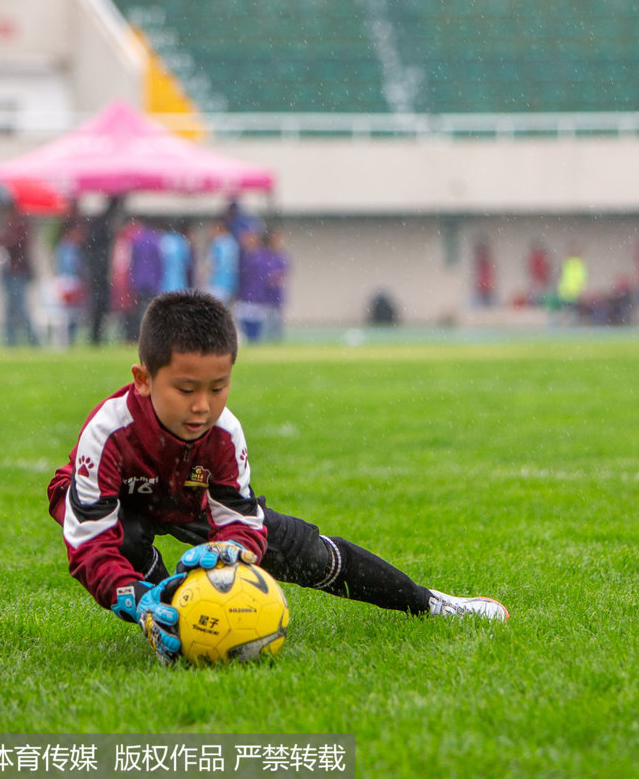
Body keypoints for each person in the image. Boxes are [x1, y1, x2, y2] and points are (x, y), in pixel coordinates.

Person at [45, 290, 507, 665]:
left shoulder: (224, 433)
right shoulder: (107, 432)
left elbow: (240, 521)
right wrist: (135, 598)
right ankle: (168, 623)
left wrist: (235, 549)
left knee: (301, 552)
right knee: (126, 542)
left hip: (187, 496)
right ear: (143, 379)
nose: (202, 405)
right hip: (117, 505)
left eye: (218, 387)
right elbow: (90, 545)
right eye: (185, 389)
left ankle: (428, 602)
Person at [0, 204, 39, 346]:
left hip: (18, 272)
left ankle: (32, 340)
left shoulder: (20, 227)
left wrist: (5, 238)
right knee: (10, 309)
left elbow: (17, 245)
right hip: (7, 272)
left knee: (20, 307)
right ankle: (11, 341)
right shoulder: (4, 227)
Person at [83, 195, 123, 346]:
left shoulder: (99, 224)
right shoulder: (102, 225)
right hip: (99, 271)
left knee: (99, 304)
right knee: (99, 304)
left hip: (99, 271)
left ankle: (97, 335)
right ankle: (96, 336)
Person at [203, 215, 239, 305]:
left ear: (218, 227)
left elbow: (212, 264)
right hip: (229, 285)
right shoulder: (233, 243)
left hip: (216, 284)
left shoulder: (217, 243)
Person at [159, 222, 193, 294]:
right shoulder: (181, 241)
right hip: (179, 281)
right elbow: (187, 263)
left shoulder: (163, 240)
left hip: (164, 282)